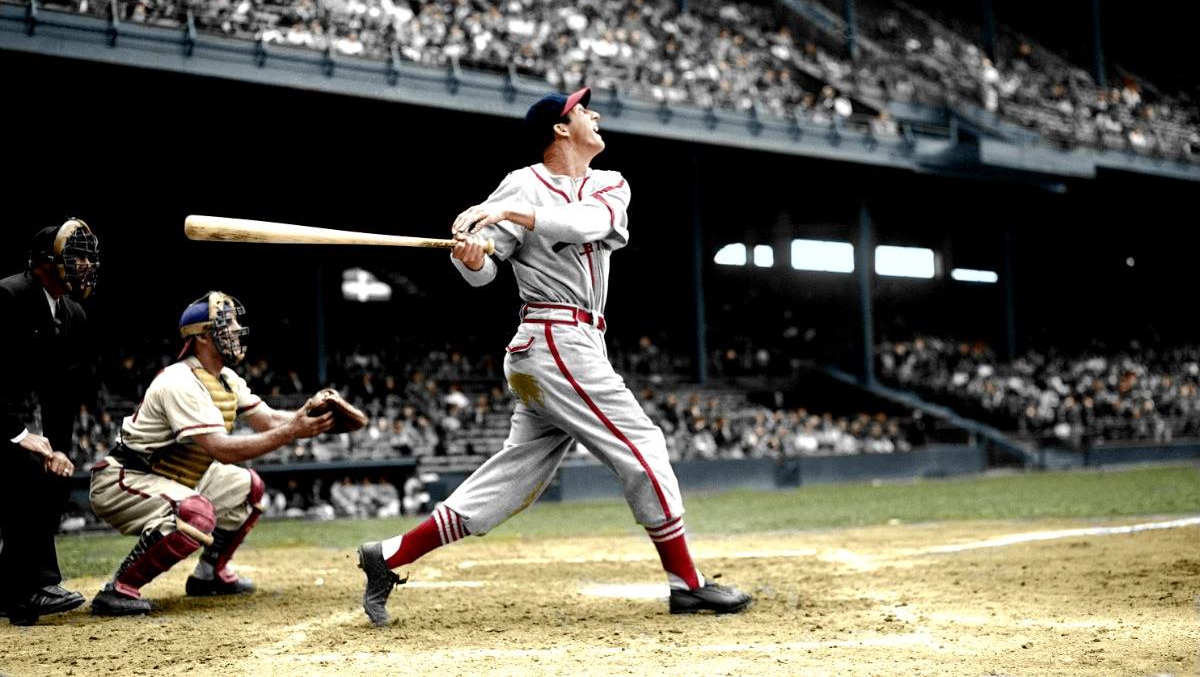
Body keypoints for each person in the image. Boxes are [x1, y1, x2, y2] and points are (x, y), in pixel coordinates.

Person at [357, 86, 752, 625]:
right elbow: (485, 272)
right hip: (551, 336)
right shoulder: (521, 183)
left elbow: (585, 224)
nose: (594, 113)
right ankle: (686, 584)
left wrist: (505, 212)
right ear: (560, 129)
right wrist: (471, 256)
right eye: (582, 109)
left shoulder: (608, 184)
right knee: (642, 444)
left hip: (571, 345)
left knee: (515, 480)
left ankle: (388, 556)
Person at [88, 291, 334, 615]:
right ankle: (119, 588)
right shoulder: (180, 381)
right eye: (226, 323)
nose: (235, 329)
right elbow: (222, 449)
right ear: (203, 337)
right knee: (197, 514)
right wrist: (294, 430)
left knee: (250, 489)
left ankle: (210, 574)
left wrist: (315, 416)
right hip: (127, 477)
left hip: (176, 477)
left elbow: (269, 419)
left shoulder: (227, 378)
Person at [0, 219, 99, 625]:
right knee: (26, 473)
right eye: (76, 257)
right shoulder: (8, 296)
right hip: (3, 425)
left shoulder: (73, 314)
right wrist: (20, 436)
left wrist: (57, 449)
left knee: (51, 481)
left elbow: (63, 393)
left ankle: (14, 592)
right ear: (45, 262)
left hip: (29, 426)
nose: (87, 266)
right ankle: (38, 584)